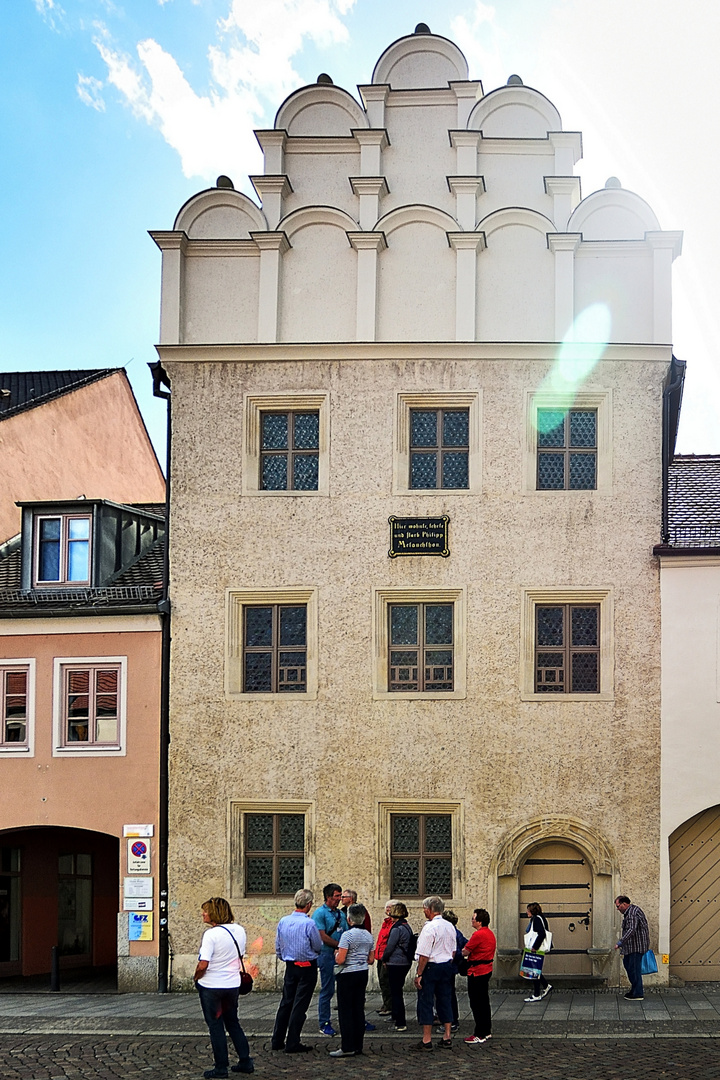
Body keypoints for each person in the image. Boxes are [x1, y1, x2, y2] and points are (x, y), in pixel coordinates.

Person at [193, 897, 254, 1078]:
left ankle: (221, 1067)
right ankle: (245, 1060)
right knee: (233, 1023)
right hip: (232, 984)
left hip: (211, 986)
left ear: (213, 913)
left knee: (215, 1026)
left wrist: (196, 977)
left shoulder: (211, 935)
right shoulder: (239, 930)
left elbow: (204, 963)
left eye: (205, 910)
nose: (203, 914)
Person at [271, 888, 323, 1054]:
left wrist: (284, 956)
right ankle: (293, 1041)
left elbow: (278, 945)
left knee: (286, 1002)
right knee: (300, 1005)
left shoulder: (284, 921)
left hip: (290, 966)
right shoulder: (309, 923)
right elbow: (317, 945)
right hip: (307, 966)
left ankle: (277, 1039)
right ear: (308, 905)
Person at [329, 903, 375, 1058]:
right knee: (358, 1009)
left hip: (348, 973)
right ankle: (358, 1045)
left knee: (346, 1011)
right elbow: (371, 959)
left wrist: (336, 954)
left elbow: (341, 959)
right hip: (362, 972)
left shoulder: (347, 936)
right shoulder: (368, 935)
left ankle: (347, 1046)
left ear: (349, 919)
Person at [412, 895, 457, 1051]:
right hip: (446, 965)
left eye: (425, 909)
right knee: (445, 999)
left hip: (431, 967)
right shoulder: (450, 926)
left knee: (426, 1001)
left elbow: (424, 954)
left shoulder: (429, 927)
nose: (424, 911)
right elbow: (453, 951)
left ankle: (426, 1039)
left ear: (430, 910)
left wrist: (419, 974)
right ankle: (447, 1036)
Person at [312, 882, 348, 1036]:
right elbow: (321, 935)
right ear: (328, 897)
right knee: (327, 989)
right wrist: (339, 945)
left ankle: (347, 1020)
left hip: (340, 955)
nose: (339, 899)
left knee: (345, 989)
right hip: (326, 955)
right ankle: (324, 1022)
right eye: (337, 896)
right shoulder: (320, 913)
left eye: (340, 896)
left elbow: (346, 931)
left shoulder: (340, 914)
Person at [462, 908, 496, 1045]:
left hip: (477, 971)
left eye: (473, 918)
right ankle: (486, 1031)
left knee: (476, 1003)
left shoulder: (478, 935)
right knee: (484, 1003)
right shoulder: (489, 933)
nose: (472, 920)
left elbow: (465, 951)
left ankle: (479, 1033)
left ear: (479, 921)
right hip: (486, 970)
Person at [381, 901, 413, 1031]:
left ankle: (400, 1022)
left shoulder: (396, 928)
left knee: (396, 992)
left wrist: (384, 958)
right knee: (396, 990)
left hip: (396, 962)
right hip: (404, 961)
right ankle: (395, 1015)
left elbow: (390, 947)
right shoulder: (406, 926)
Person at [614, 895, 650, 1000]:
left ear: (624, 904)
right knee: (629, 966)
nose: (617, 909)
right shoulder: (631, 911)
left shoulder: (632, 913)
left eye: (618, 906)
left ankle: (638, 993)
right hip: (632, 946)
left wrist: (620, 942)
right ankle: (635, 990)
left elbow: (631, 929)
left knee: (634, 969)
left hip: (636, 946)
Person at [441, 909, 467, 1032]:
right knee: (449, 994)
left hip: (448, 967)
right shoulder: (457, 932)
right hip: (451, 967)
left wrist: (451, 958)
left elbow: (457, 950)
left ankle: (452, 1021)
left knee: (448, 995)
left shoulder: (451, 933)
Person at [524, 902, 552, 1002]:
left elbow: (541, 934)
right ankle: (545, 986)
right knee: (534, 970)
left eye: (528, 910)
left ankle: (537, 994)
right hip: (538, 949)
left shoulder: (536, 919)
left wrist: (534, 947)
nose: (526, 912)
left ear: (532, 911)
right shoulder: (541, 918)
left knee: (533, 971)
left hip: (536, 949)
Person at [374, 900, 396, 1016]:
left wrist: (386, 958)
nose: (388, 909)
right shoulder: (386, 923)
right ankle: (386, 1003)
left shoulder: (393, 924)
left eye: (391, 907)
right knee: (382, 981)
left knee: (386, 981)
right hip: (380, 956)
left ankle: (389, 1005)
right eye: (387, 907)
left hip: (386, 957)